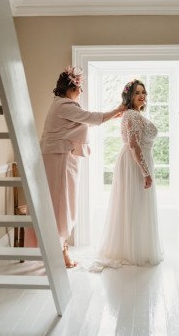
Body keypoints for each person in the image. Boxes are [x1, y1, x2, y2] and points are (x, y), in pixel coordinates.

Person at [25, 65, 125, 268]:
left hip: (59, 156)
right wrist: (118, 109)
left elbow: (90, 119)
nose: (81, 91)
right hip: (57, 158)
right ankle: (60, 252)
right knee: (61, 204)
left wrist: (113, 114)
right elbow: (92, 118)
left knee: (60, 203)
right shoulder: (65, 106)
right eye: (79, 86)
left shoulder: (61, 104)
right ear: (70, 87)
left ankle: (58, 250)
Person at [96, 79, 164, 267]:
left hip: (138, 160)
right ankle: (132, 251)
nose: (142, 96)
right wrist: (146, 172)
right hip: (135, 163)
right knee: (134, 202)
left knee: (138, 203)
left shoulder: (133, 115)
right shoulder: (131, 116)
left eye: (144, 92)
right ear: (129, 96)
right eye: (137, 93)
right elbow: (134, 145)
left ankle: (138, 247)